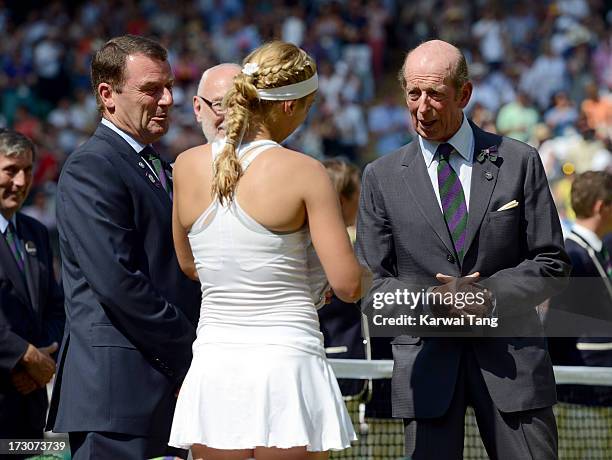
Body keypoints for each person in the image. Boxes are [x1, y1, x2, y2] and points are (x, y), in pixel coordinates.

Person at [356, 40, 570, 459]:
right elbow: (372, 287)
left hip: (514, 367)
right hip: (427, 368)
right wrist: (431, 303)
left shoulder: (519, 161)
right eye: (413, 94)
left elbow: (552, 262)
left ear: (465, 94)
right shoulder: (380, 177)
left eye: (435, 94)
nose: (421, 107)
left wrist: (489, 295)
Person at [169, 41, 365, 460]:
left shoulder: (184, 165)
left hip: (214, 363)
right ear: (290, 107)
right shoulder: (306, 172)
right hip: (287, 362)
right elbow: (348, 285)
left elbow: (189, 264)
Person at [47, 35, 201, 459]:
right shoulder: (92, 166)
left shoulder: (158, 166)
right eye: (152, 89)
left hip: (160, 394)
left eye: (170, 86)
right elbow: (119, 283)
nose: (169, 99)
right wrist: (195, 347)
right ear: (107, 95)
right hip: (116, 401)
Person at [0, 129, 64, 454]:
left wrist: (44, 358)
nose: (21, 181)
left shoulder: (36, 232)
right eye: (11, 170)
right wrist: (23, 357)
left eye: (27, 170)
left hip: (30, 402)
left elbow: (54, 305)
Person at [548, 171, 612, 405]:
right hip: (584, 389)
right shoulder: (573, 256)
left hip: (598, 384)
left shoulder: (593, 251)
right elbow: (558, 329)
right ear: (601, 206)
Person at [193, 63, 241, 142]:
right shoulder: (189, 154)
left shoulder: (266, 153)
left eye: (240, 104)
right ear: (198, 108)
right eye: (220, 105)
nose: (230, 116)